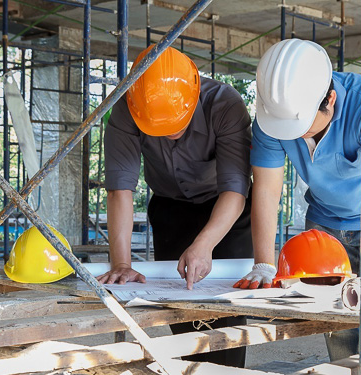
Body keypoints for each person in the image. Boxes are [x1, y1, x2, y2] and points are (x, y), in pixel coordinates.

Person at [234, 39, 361, 360]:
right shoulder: (272, 114)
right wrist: (263, 263)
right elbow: (266, 190)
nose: (290, 134)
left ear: (330, 100)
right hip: (326, 221)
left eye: (299, 126)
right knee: (335, 320)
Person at [97, 45, 253, 368]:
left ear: (194, 94)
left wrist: (205, 244)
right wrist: (121, 262)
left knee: (226, 313)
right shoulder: (127, 108)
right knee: (178, 309)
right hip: (170, 209)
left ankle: (229, 370)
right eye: (159, 132)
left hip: (225, 210)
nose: (169, 136)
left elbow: (236, 192)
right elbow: (120, 190)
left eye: (177, 128)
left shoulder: (226, 105)